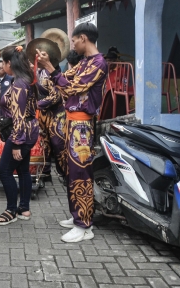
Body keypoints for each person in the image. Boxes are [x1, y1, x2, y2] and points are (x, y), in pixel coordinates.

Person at [37, 22, 108, 243]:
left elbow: (70, 88)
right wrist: (50, 65)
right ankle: (77, 215)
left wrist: (49, 67)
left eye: (74, 40)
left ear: (83, 38)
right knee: (71, 171)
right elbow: (64, 80)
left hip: (82, 126)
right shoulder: (85, 62)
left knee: (81, 174)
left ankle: (84, 225)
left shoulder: (98, 63)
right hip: (72, 123)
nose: (73, 44)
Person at [0, 46, 39, 225]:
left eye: (3, 62)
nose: (2, 65)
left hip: (21, 134)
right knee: (22, 170)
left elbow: (18, 115)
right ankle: (24, 208)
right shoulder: (24, 80)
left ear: (9, 63)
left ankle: (11, 209)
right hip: (28, 131)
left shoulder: (20, 83)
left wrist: (17, 143)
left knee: (4, 170)